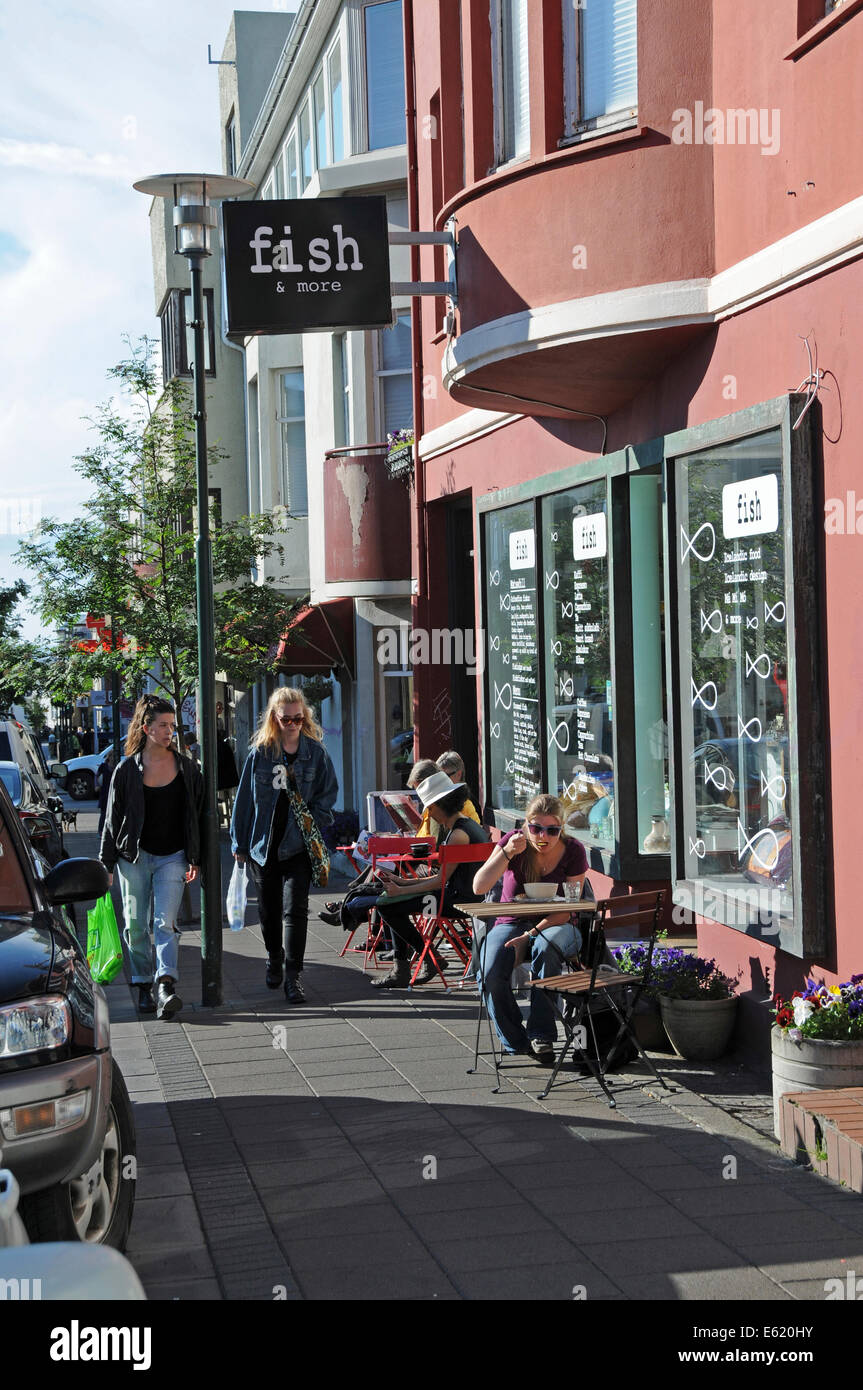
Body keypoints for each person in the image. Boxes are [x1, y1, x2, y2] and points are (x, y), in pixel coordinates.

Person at [100, 695, 205, 1019]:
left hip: (172, 857)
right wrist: (105, 866)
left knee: (165, 922)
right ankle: (143, 984)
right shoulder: (126, 770)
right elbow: (112, 819)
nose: (169, 731)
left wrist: (195, 857)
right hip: (133, 857)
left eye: (172, 726)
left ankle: (165, 984)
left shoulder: (187, 768)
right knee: (135, 925)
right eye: (163, 725)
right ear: (146, 728)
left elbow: (198, 815)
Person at [231, 687, 338, 1003]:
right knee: (268, 911)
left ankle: (293, 976)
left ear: (304, 717)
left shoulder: (315, 753)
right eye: (285, 718)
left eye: (297, 718)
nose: (292, 723)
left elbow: (328, 794)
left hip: (299, 846)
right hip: (263, 845)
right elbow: (244, 803)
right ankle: (273, 956)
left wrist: (313, 820)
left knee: (296, 910)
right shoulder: (260, 754)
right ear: (274, 719)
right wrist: (239, 841)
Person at [471, 794, 588, 1064]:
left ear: (561, 828)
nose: (542, 836)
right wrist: (507, 852)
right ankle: (515, 1040)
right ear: (526, 825)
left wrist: (531, 935)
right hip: (511, 921)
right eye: (535, 828)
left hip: (557, 922)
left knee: (546, 948)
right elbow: (479, 887)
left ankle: (542, 1036)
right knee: (489, 974)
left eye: (552, 830)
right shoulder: (514, 842)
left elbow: (569, 907)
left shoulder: (573, 850)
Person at [371, 770, 490, 989]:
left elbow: (439, 883)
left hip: (455, 902)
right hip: (466, 896)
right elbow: (443, 879)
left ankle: (422, 961)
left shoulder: (457, 835)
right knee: (390, 901)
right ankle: (424, 959)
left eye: (429, 808)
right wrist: (404, 883)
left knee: (386, 905)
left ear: (435, 807)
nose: (429, 813)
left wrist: (399, 891)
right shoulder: (469, 827)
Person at [318, 758, 438, 930]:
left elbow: (431, 842)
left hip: (426, 865)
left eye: (420, 789)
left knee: (383, 870)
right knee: (382, 867)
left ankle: (349, 909)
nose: (420, 794)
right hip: (418, 860)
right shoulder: (432, 807)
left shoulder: (440, 809)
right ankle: (352, 908)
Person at [96, 747, 119, 837]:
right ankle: (100, 831)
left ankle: (113, 832)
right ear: (109, 757)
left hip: (114, 792)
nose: (113, 758)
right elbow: (96, 775)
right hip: (105, 793)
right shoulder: (103, 766)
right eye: (112, 756)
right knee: (104, 813)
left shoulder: (117, 766)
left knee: (114, 813)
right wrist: (96, 785)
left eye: (114, 756)